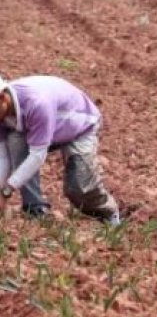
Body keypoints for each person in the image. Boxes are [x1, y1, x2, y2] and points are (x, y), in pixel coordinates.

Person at [0, 75, 119, 224]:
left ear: (3, 98)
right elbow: (3, 156)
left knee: (79, 186)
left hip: (79, 128)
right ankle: (35, 208)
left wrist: (7, 190)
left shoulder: (37, 103)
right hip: (46, 128)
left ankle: (109, 212)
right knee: (15, 140)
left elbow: (37, 156)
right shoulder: (4, 113)